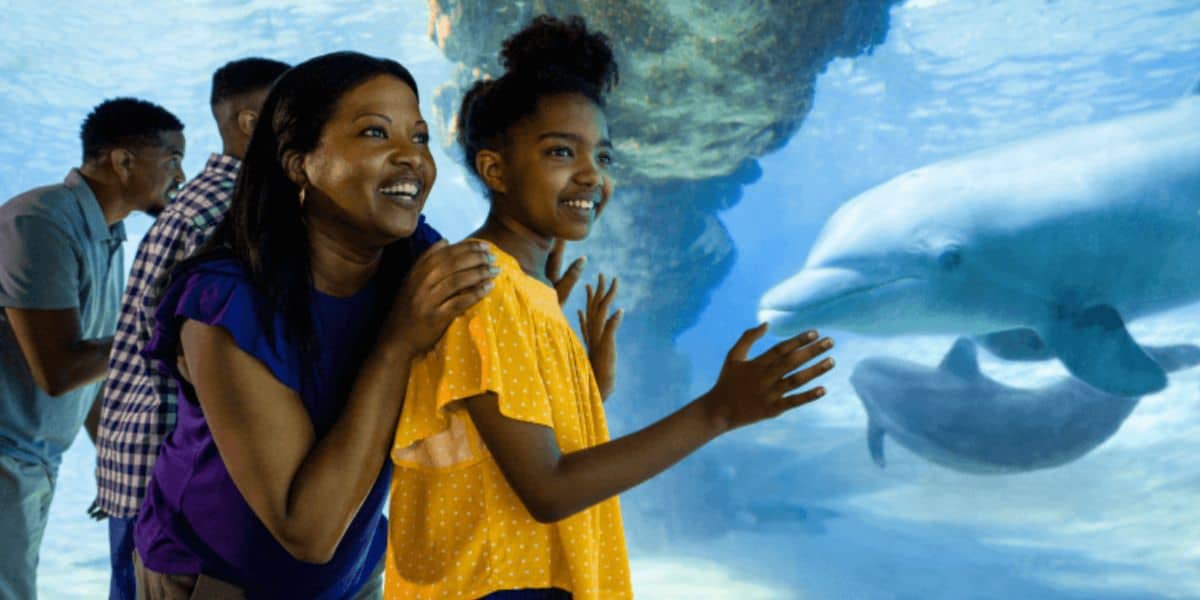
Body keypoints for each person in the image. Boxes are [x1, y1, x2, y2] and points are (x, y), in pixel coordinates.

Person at [386, 15, 836, 600]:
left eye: (603, 156)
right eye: (560, 151)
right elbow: (547, 491)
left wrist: (586, 392)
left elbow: (499, 449)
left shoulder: (527, 286)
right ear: (495, 169)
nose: (591, 175)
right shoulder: (486, 291)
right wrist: (718, 411)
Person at [129, 50, 504, 599]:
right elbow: (305, 531)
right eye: (376, 133)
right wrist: (398, 342)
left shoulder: (409, 254)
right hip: (219, 582)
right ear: (298, 162)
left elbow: (487, 403)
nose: (411, 159)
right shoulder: (224, 303)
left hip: (355, 575)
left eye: (420, 137)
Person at [95, 57, 290, 600]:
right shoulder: (232, 207)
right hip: (168, 476)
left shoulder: (200, 199)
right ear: (252, 123)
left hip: (141, 465)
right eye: (297, 110)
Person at [0, 98, 185, 599]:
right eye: (171, 160)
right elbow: (59, 370)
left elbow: (95, 371)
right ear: (122, 162)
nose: (181, 177)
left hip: (33, 462)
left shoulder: (109, 236)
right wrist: (162, 327)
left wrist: (115, 468)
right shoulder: (39, 222)